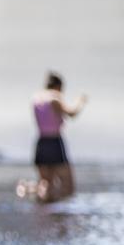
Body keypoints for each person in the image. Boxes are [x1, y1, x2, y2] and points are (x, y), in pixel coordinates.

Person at [21, 72, 86, 203]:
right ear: (58, 86)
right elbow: (71, 113)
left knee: (46, 184)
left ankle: (28, 188)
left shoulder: (36, 98)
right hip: (54, 142)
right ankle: (59, 213)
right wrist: (81, 101)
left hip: (41, 142)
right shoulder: (54, 98)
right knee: (68, 185)